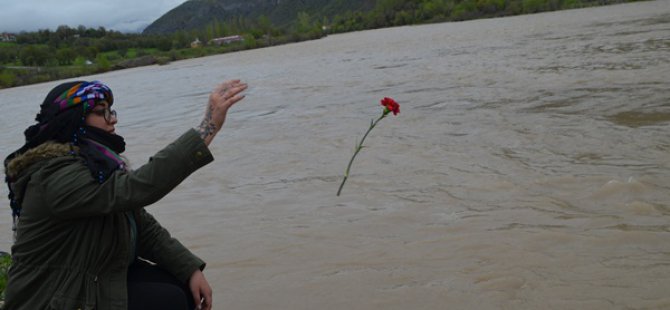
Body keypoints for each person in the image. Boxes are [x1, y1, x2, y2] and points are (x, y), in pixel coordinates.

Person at [2, 79, 247, 310]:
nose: (112, 120)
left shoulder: (93, 163)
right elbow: (136, 188)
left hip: (92, 273)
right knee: (169, 301)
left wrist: (189, 269)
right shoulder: (54, 175)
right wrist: (207, 127)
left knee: (182, 287)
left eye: (111, 111)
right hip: (51, 296)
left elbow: (141, 226)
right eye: (101, 112)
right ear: (72, 120)